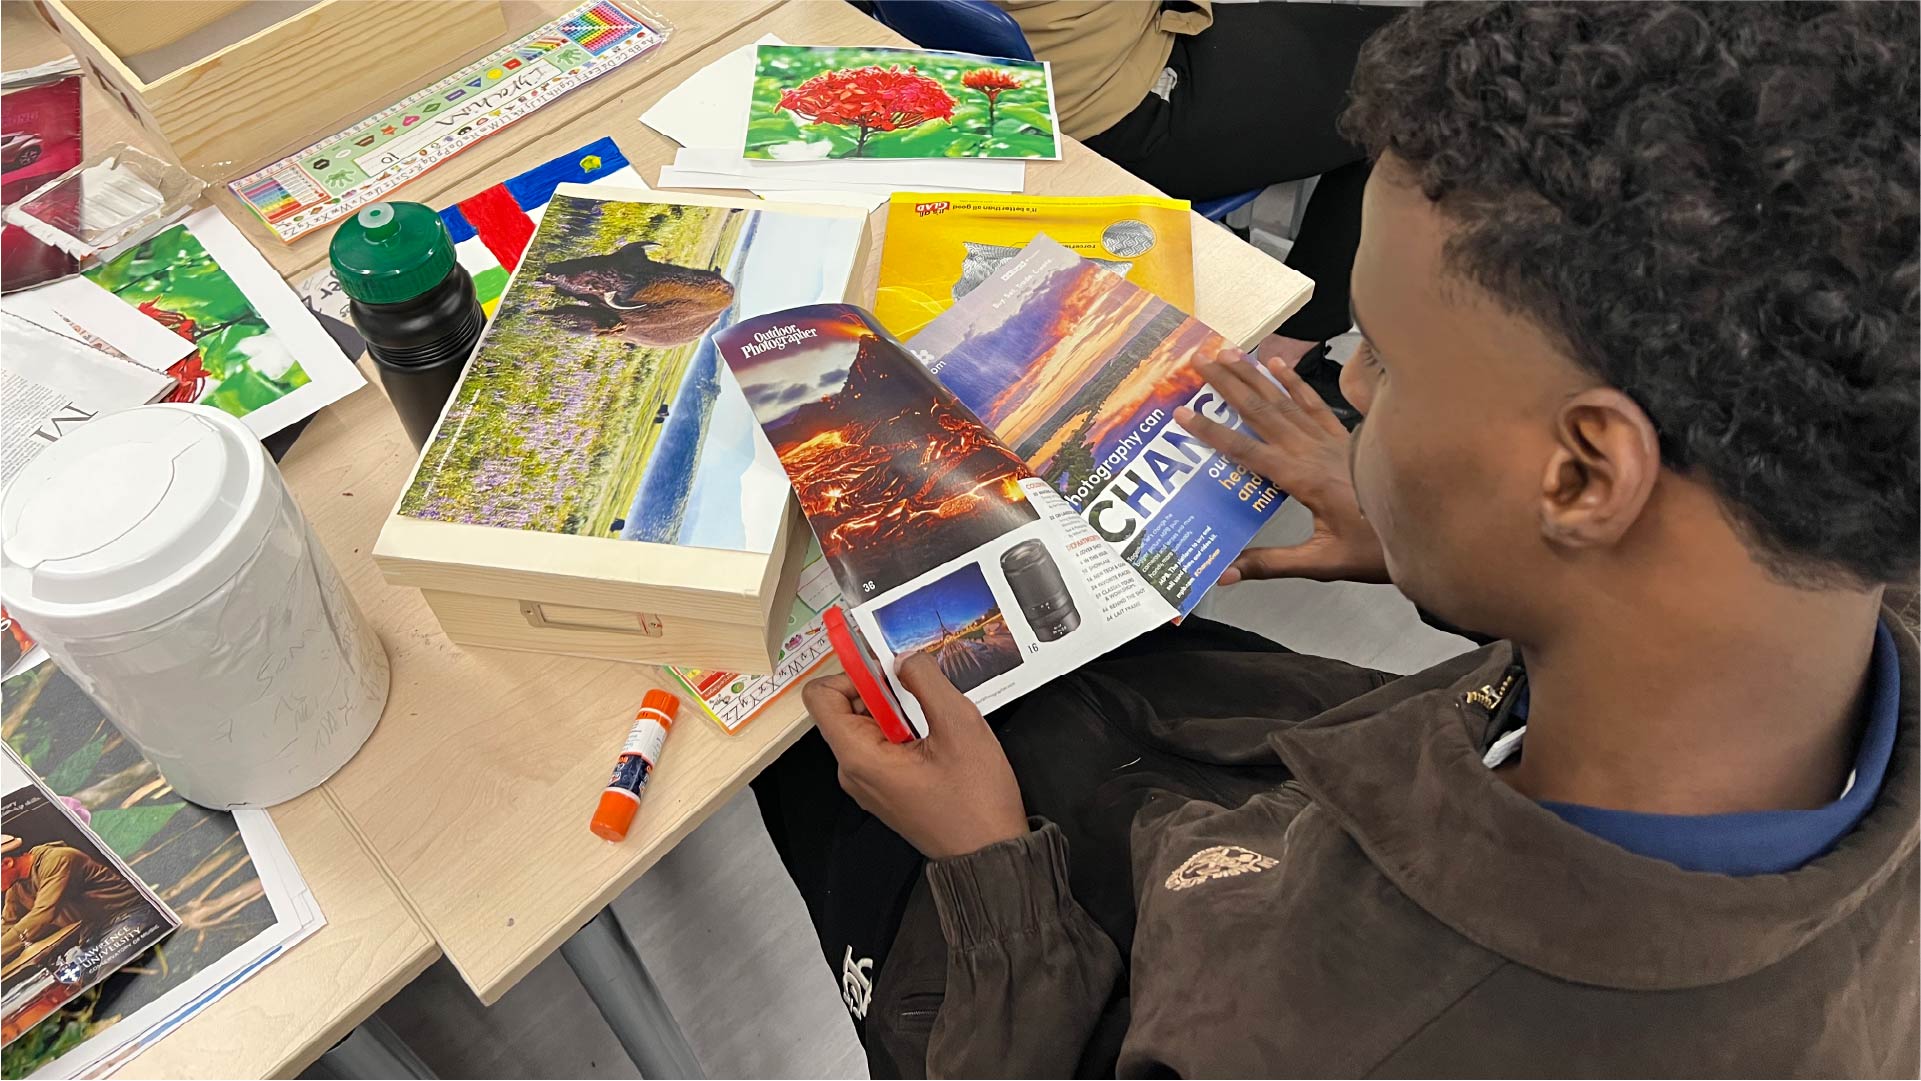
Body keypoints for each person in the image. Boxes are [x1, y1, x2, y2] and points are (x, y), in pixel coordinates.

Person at [753, 2, 1921, 1075]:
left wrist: (988, 869)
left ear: (1580, 474)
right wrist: (1465, 554)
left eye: (1386, 360)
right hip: (1270, 782)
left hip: (1048, 954)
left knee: (795, 745)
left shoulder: (1327, 1031)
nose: (1346, 375)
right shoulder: (1825, 566)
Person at [993, 1, 1399, 368]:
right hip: (1098, 99)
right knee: (1425, 79)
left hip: (1007, 68)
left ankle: (1302, 330)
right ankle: (1288, 353)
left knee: (1411, 49)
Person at [1, 834, 144, 963]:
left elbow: (43, 914)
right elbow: (7, 924)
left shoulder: (58, 860)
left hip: (130, 914)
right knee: (71, 982)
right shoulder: (16, 888)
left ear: (7, 862)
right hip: (92, 932)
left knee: (109, 973)